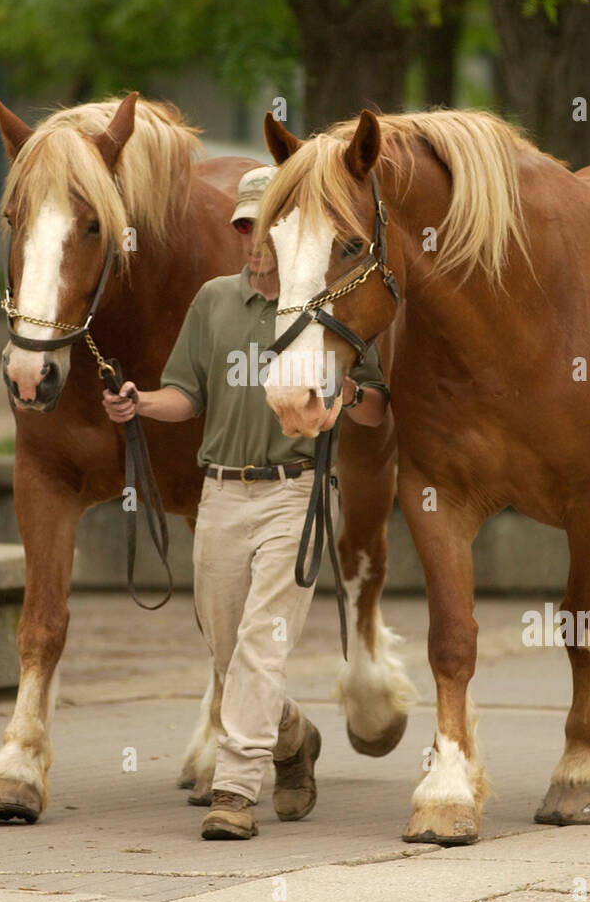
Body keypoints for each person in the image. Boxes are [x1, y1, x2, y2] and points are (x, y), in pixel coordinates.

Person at [103, 165, 390, 840]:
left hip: (296, 493)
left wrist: (341, 393)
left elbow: (376, 411)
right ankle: (293, 741)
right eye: (244, 228)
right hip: (221, 494)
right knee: (228, 654)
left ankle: (235, 791)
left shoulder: (328, 306)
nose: (254, 243)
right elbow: (188, 395)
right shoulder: (213, 303)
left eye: (265, 229)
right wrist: (140, 403)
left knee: (262, 646)